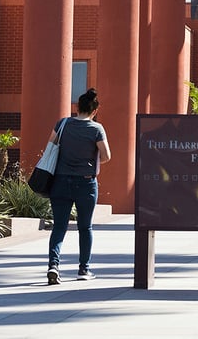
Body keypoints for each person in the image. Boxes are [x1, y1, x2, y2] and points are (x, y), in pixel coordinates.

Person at [46, 88, 112, 285]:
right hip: (86, 182)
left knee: (59, 226)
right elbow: (107, 155)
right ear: (95, 110)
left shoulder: (63, 124)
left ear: (77, 107)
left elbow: (51, 145)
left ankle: (53, 266)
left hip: (60, 181)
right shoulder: (96, 129)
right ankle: (84, 269)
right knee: (85, 227)